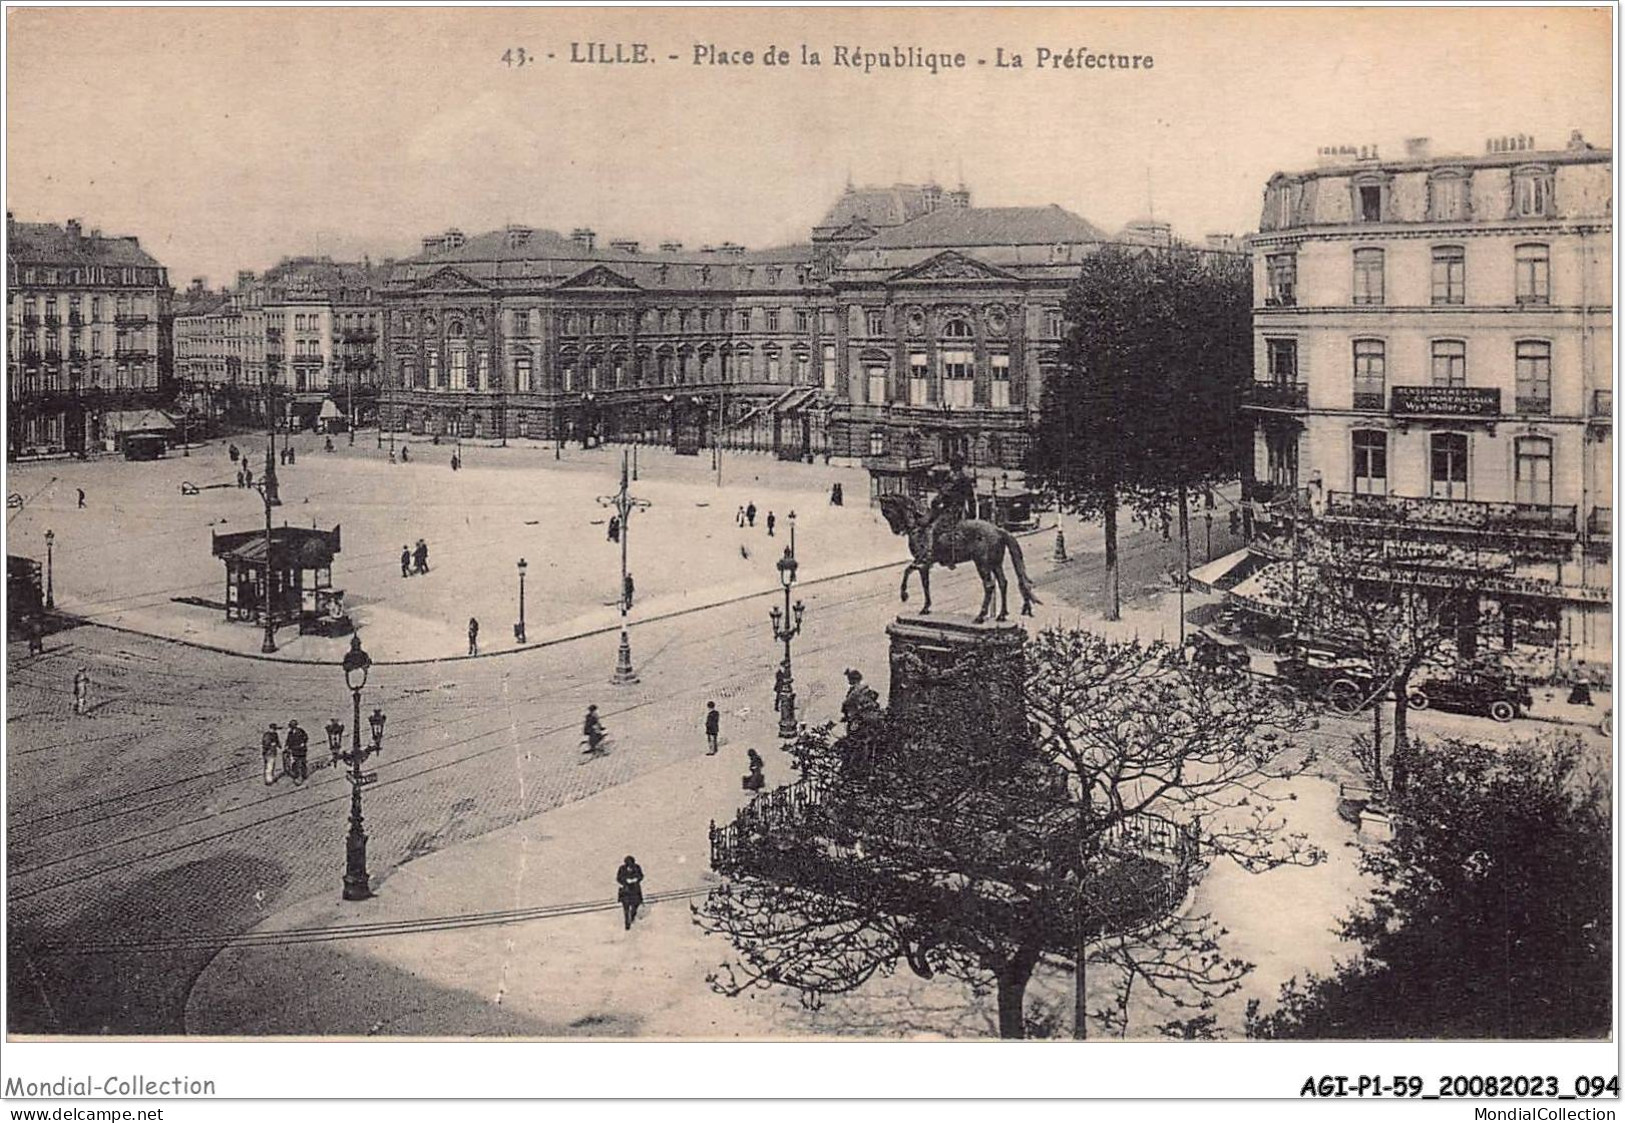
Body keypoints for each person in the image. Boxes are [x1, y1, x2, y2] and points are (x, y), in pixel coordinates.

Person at [922, 454, 976, 560]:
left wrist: (971, 515)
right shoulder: (951, 476)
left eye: (953, 465)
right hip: (945, 508)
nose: (952, 467)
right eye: (952, 465)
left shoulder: (962, 479)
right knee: (926, 522)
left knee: (934, 528)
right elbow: (943, 491)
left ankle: (931, 553)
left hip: (955, 510)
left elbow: (969, 498)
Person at [616, 855, 645, 930]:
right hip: (626, 891)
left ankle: (632, 918)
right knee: (626, 909)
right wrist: (625, 881)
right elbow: (618, 878)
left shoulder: (637, 867)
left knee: (635, 906)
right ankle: (627, 924)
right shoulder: (622, 868)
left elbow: (641, 876)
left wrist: (636, 879)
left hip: (635, 890)